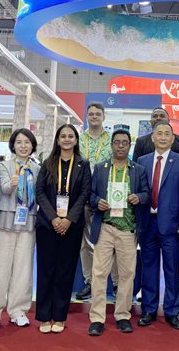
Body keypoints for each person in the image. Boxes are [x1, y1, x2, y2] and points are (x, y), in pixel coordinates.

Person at [87, 129, 150, 336]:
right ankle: (97, 318)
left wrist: (138, 197)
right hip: (105, 226)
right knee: (99, 274)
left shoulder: (138, 170)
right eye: (117, 142)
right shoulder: (101, 168)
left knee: (127, 275)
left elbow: (147, 194)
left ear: (130, 146)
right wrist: (98, 202)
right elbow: (91, 195)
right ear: (112, 145)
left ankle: (123, 315)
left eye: (124, 142)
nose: (121, 146)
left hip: (128, 229)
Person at [136, 122, 179, 330]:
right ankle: (149, 309)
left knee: (171, 269)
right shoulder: (142, 161)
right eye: (158, 133)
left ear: (172, 138)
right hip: (147, 223)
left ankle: (172, 311)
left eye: (166, 134)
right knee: (148, 268)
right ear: (152, 137)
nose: (162, 137)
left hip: (172, 225)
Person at [34, 124, 91, 334]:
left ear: (76, 140)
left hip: (72, 226)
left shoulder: (83, 164)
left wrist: (68, 219)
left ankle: (59, 317)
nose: (66, 139)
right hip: (47, 225)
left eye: (70, 136)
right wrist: (53, 218)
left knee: (65, 272)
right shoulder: (48, 162)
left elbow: (85, 194)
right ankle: (43, 316)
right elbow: (40, 192)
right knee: (46, 271)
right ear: (57, 140)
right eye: (63, 136)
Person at [0, 128, 40, 330]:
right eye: (19, 142)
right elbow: (6, 189)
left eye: (27, 142)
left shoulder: (37, 169)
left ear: (32, 146)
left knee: (23, 269)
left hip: (28, 221)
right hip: (6, 221)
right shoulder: (4, 165)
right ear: (13, 145)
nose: (23, 146)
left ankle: (18, 310)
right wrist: (13, 183)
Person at [77, 102, 114, 301]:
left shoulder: (112, 139)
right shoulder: (78, 139)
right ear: (86, 116)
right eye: (90, 114)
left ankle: (115, 283)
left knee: (110, 240)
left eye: (97, 114)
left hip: (105, 197)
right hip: (82, 195)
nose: (94, 117)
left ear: (103, 116)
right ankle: (90, 282)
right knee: (85, 242)